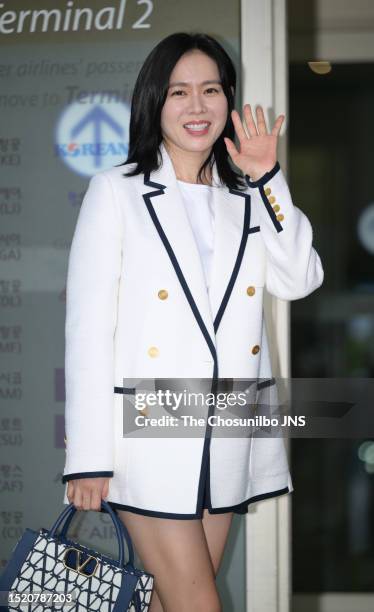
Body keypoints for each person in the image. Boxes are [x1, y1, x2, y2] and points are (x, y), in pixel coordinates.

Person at [61, 32, 324, 612]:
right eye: (179, 92)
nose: (197, 106)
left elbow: (301, 277)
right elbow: (87, 330)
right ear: (154, 101)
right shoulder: (118, 192)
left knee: (167, 603)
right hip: (146, 438)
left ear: (229, 101)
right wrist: (88, 455)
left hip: (226, 433)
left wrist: (267, 176)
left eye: (210, 90)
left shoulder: (247, 197)